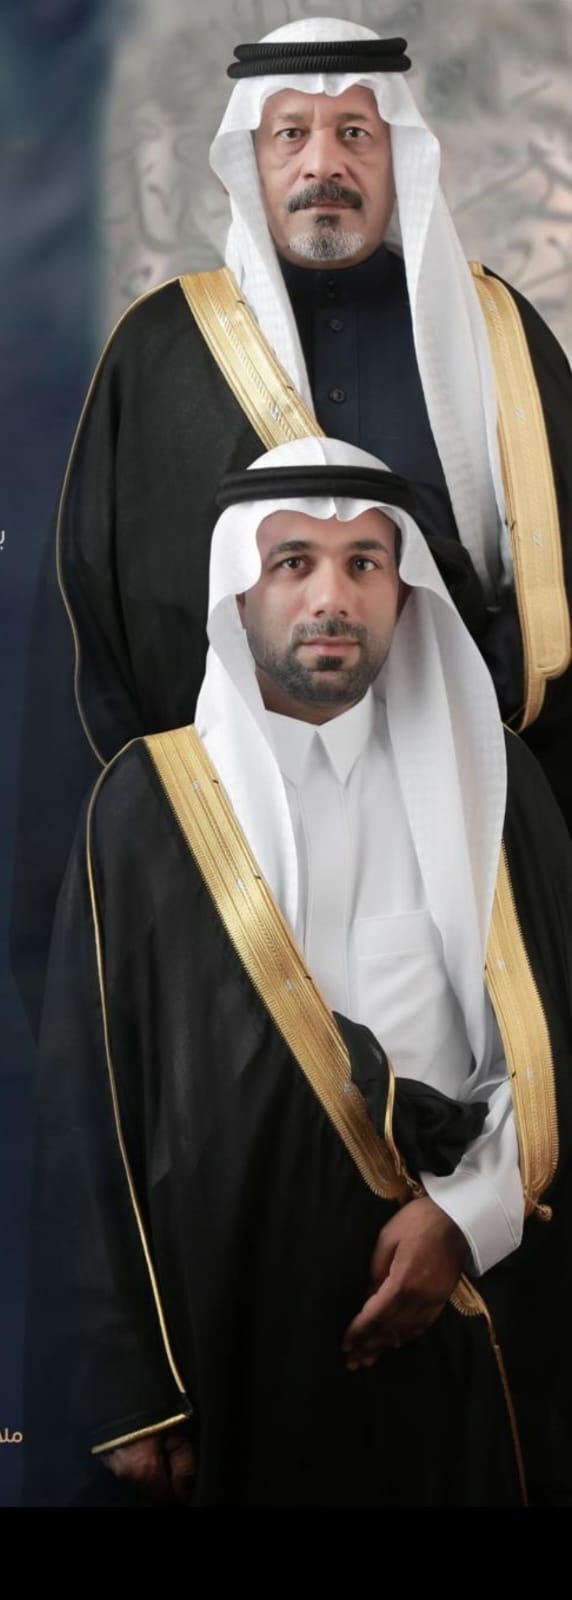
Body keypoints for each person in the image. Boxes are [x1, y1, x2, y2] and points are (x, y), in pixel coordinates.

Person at [25, 436, 572, 1508]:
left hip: (472, 1309)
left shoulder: (494, 784)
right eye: (294, 563)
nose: (331, 597)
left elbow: (552, 1035)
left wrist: (466, 1217)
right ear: (240, 591)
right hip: (232, 1325)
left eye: (365, 562)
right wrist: (129, 1392)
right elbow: (85, 1108)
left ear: (405, 591)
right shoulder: (148, 805)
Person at [12, 14, 572, 1043]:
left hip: (460, 819)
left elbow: (556, 583)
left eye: (354, 133)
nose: (323, 165)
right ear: (250, 158)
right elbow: (96, 614)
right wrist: (169, 832)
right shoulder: (160, 350)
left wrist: (461, 718)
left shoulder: (497, 338)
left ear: (397, 152)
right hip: (232, 843)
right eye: (291, 136)